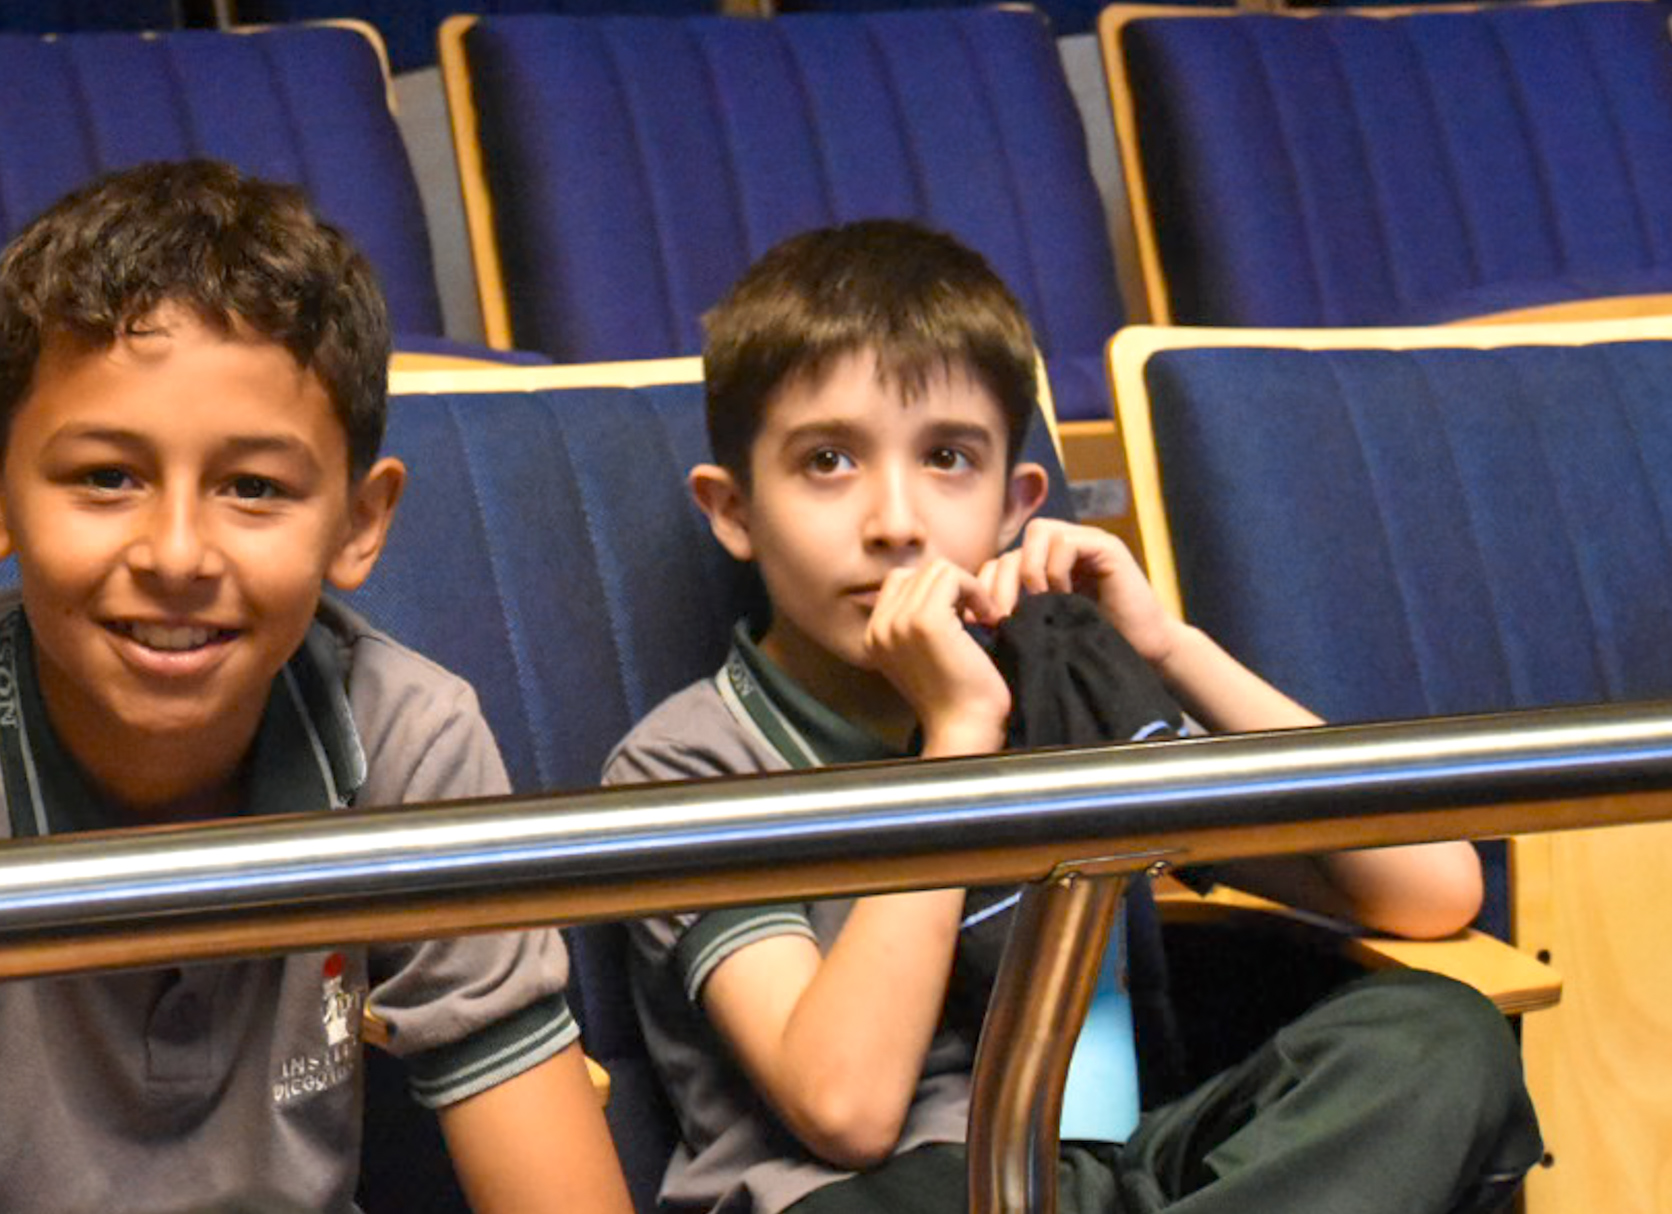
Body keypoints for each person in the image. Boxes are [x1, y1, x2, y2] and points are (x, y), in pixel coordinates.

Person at [0, 160, 631, 1214]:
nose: (176, 554)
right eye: (107, 477)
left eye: (253, 486)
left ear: (358, 523)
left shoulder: (406, 738)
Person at [605, 219, 1541, 1214]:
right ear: (735, 509)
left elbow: (1430, 888)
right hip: (869, 1192)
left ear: (1016, 504)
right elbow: (846, 1109)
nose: (895, 522)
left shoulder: (1059, 691)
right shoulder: (687, 762)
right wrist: (958, 735)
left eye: (947, 458)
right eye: (828, 460)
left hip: (1106, 1167)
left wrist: (1168, 648)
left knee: (1435, 1037)